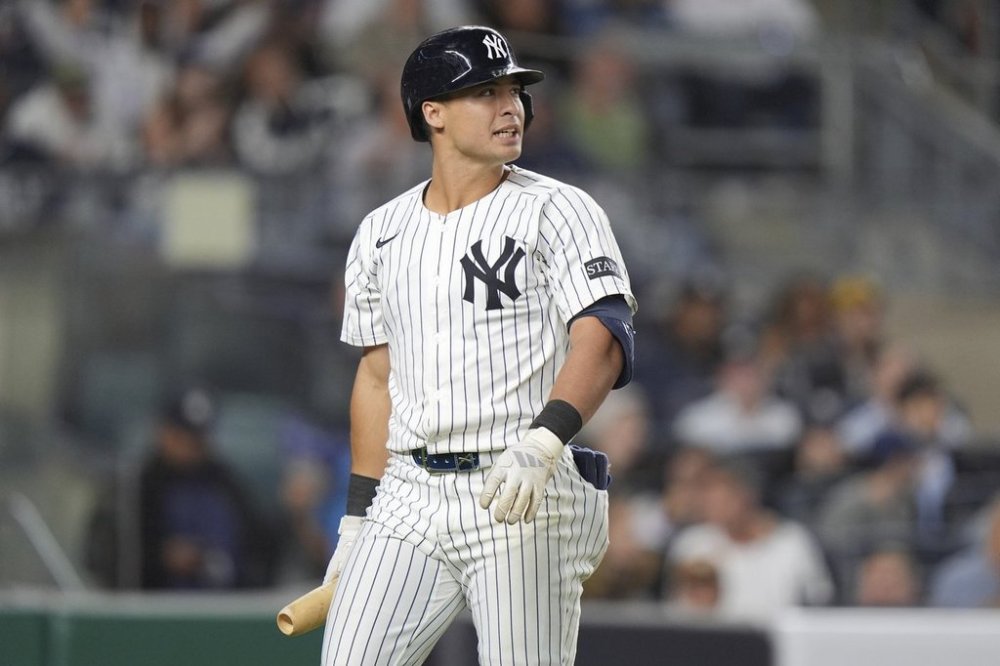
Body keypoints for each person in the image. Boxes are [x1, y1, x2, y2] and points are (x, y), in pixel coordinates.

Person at [320, 26, 637, 666]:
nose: (509, 106)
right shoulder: (380, 233)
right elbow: (377, 379)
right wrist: (358, 515)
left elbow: (602, 336)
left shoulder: (559, 208)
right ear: (431, 113)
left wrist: (546, 441)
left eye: (514, 91)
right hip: (409, 492)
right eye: (484, 92)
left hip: (522, 484)